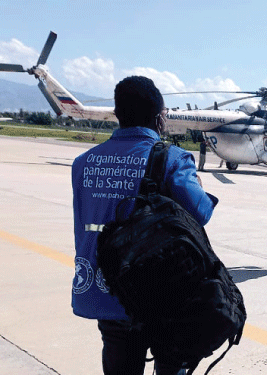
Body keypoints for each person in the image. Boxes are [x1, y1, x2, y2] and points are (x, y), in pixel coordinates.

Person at [71, 76, 218, 375]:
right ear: (159, 118)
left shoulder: (84, 162)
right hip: (160, 291)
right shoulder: (173, 159)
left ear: (117, 114)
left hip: (107, 286)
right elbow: (200, 212)